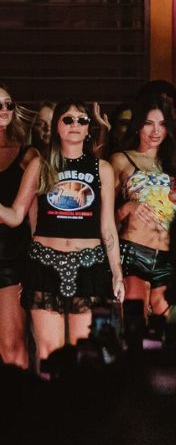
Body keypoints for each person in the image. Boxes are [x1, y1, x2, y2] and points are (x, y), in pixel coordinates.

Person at [0, 100, 124, 365]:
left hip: (89, 265)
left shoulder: (102, 168)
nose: (75, 125)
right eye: (68, 119)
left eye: (82, 120)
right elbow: (16, 215)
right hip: (44, 265)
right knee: (49, 352)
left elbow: (107, 226)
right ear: (57, 125)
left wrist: (117, 272)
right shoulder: (39, 165)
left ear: (88, 128)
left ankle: (78, 395)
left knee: (84, 351)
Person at [110, 99, 176, 318]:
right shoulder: (121, 160)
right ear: (137, 125)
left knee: (172, 328)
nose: (155, 131)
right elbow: (103, 218)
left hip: (169, 257)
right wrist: (127, 207)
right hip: (134, 253)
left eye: (162, 124)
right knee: (134, 325)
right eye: (148, 123)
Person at [0, 83, 38, 368]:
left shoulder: (26, 155)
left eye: (8, 104)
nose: (4, 110)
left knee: (12, 347)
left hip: (10, 258)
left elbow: (30, 217)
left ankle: (19, 394)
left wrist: (37, 264)